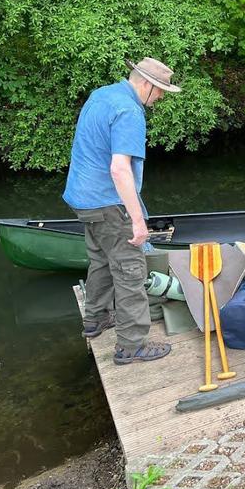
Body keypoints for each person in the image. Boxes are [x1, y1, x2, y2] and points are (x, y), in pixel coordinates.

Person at [63, 58, 181, 365]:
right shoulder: (129, 111)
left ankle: (95, 319)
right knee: (130, 270)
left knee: (101, 259)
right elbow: (119, 169)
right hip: (106, 202)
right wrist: (138, 221)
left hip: (81, 198)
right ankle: (131, 345)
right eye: (161, 91)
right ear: (147, 84)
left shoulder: (102, 94)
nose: (161, 98)